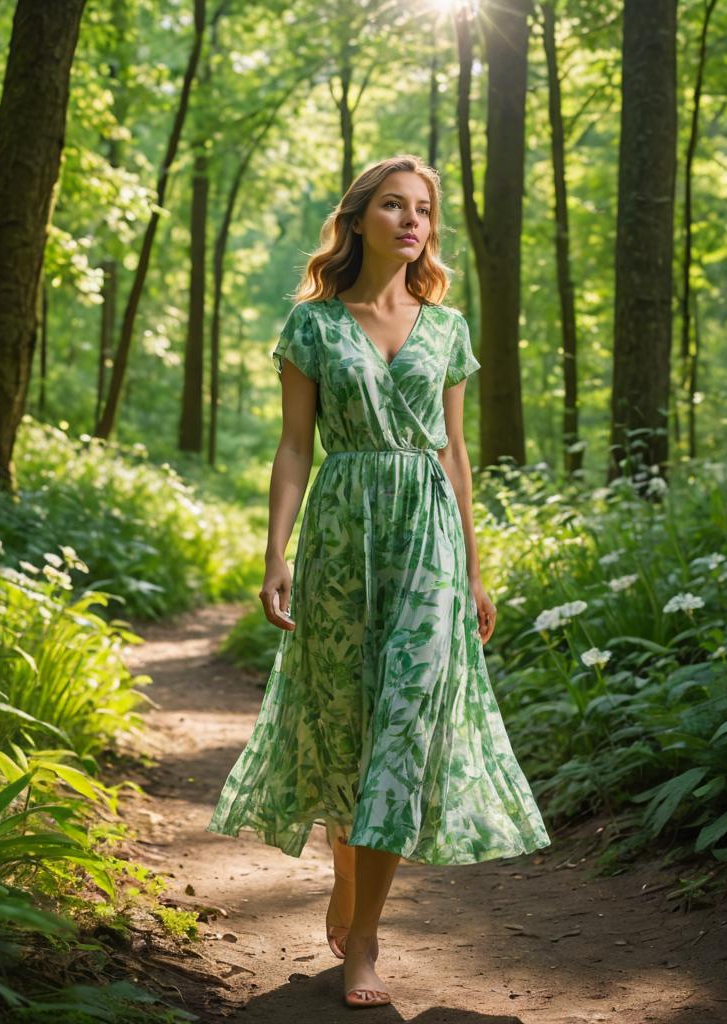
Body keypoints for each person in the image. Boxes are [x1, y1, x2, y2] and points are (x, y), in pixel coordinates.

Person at [206, 154, 551, 1009]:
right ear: (359, 218)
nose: (411, 220)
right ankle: (345, 875)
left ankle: (365, 939)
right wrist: (274, 552)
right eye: (393, 205)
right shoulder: (315, 326)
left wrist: (475, 569)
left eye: (423, 209)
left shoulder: (447, 328)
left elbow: (455, 455)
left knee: (402, 724)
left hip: (427, 538)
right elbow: (294, 447)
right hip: (342, 532)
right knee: (345, 717)